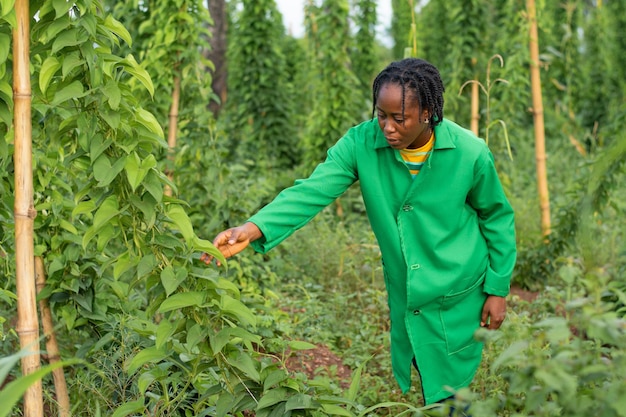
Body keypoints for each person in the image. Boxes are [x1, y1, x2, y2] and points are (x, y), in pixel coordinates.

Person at [201, 58, 516, 406]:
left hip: (460, 291)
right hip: (410, 294)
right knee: (428, 372)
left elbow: (497, 217)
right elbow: (312, 190)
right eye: (381, 114)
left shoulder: (469, 153)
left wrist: (497, 288)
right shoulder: (361, 143)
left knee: (455, 394)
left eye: (400, 118)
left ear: (428, 112)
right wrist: (254, 227)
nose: (388, 127)